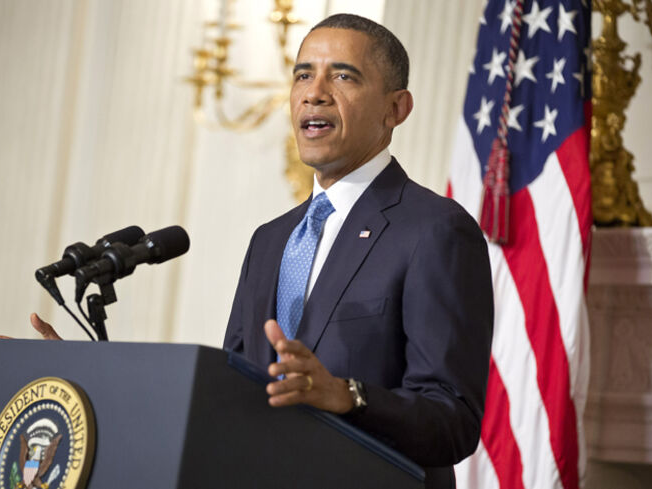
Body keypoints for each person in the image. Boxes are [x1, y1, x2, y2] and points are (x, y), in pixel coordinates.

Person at [31, 13, 493, 488]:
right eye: (303, 74)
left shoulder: (434, 230)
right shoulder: (271, 239)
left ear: (395, 109)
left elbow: (453, 420)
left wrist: (346, 395)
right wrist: (94, 385)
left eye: (343, 75)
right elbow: (230, 396)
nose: (314, 91)